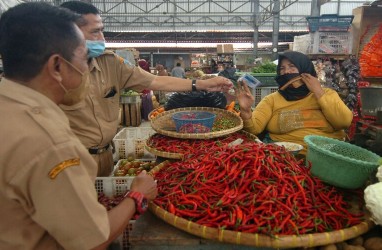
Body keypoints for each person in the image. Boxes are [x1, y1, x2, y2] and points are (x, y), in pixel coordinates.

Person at [0, 3, 157, 249]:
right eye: (84, 58)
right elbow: (92, 241)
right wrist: (137, 195)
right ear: (57, 66)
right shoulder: (51, 143)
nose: (89, 68)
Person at [60, 1, 233, 177]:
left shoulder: (110, 63)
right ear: (70, 33)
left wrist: (201, 84)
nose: (102, 39)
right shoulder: (52, 74)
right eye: (95, 32)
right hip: (70, 163)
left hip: (105, 156)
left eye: (102, 30)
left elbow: (156, 81)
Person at [236, 51, 353, 155]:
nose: (286, 72)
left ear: (305, 70)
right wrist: (246, 111)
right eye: (282, 68)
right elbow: (254, 129)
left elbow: (344, 122)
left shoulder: (326, 94)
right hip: (285, 156)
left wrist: (318, 92)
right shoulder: (271, 100)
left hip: (326, 155)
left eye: (292, 67)